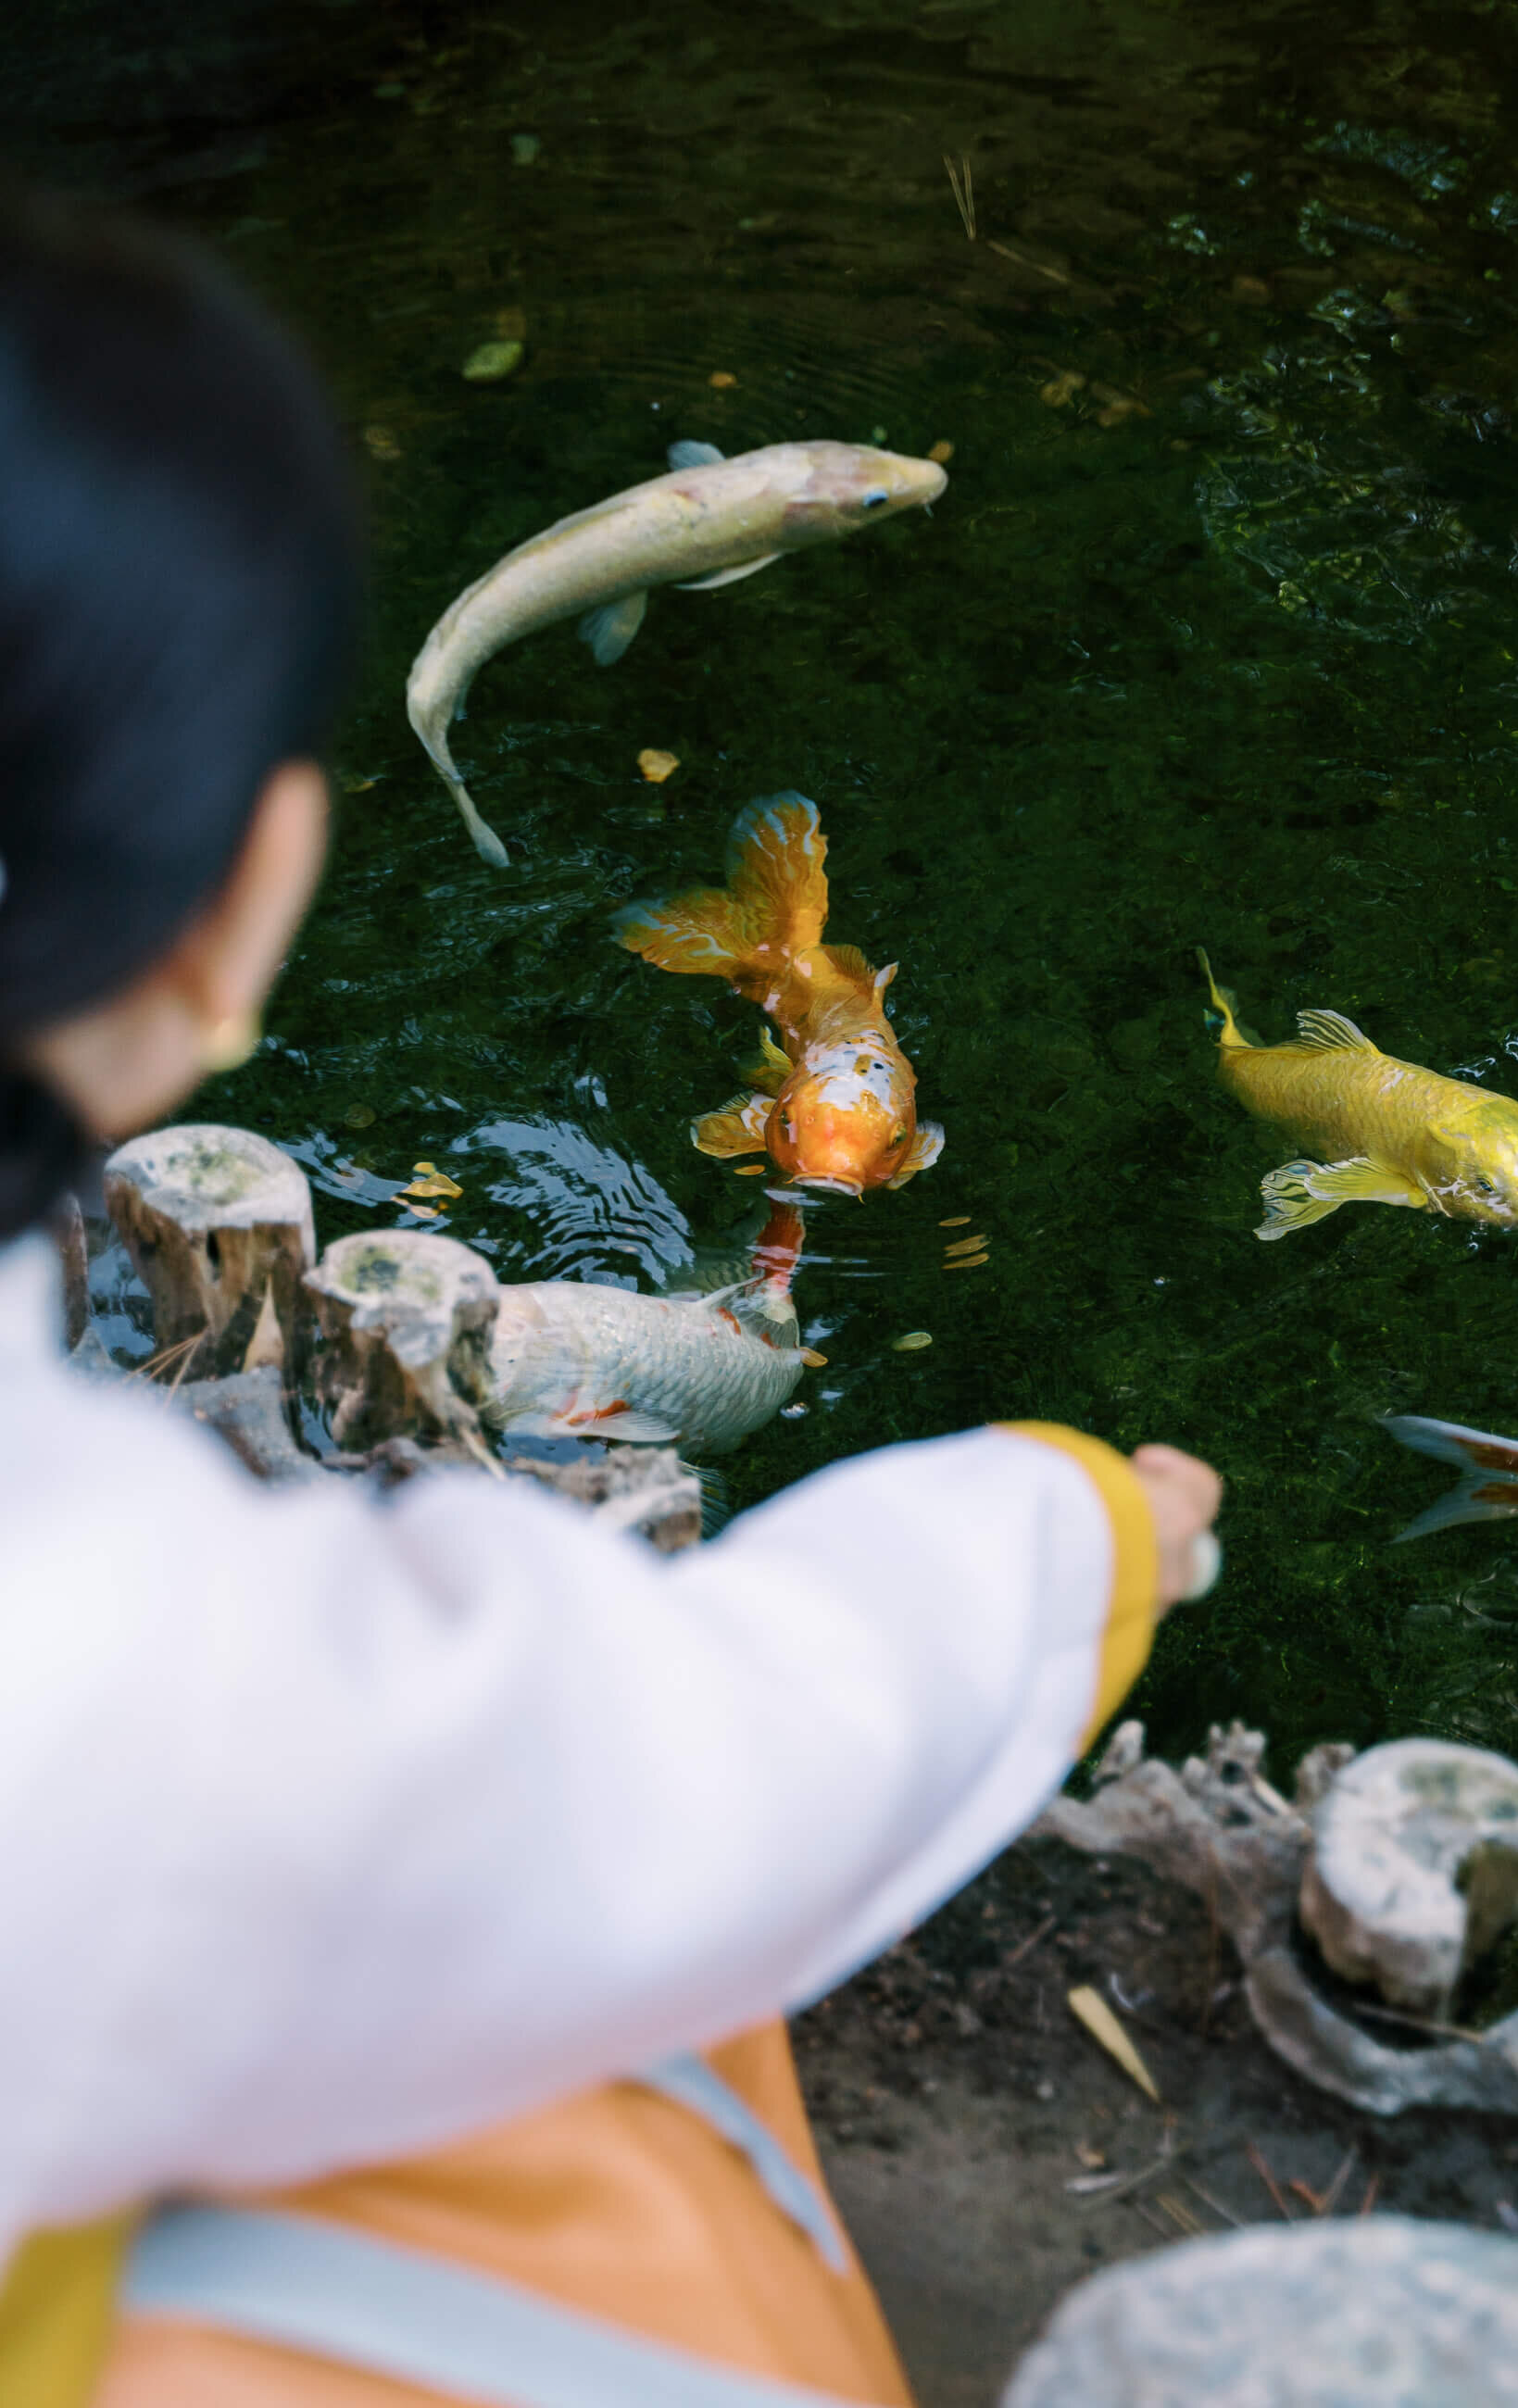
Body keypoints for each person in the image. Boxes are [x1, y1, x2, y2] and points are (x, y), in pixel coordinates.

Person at [0, 185, 1222, 2408]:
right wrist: (1066, 1530)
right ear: (236, 905)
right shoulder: (139, 1662)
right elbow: (694, 1771)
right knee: (636, 2132)